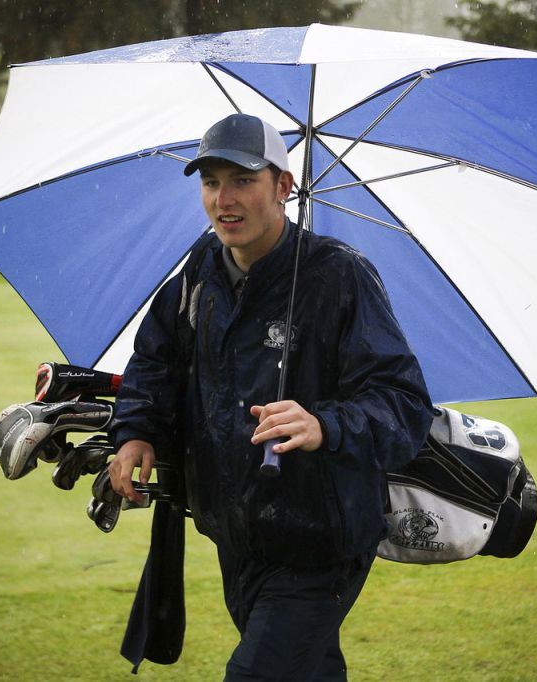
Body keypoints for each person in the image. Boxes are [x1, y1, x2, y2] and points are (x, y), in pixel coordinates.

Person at [108, 113, 432, 680]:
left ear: (283, 186)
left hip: (320, 543)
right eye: (211, 182)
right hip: (236, 534)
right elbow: (156, 361)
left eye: (243, 180)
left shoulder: (340, 275)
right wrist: (137, 431)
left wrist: (323, 424)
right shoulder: (200, 270)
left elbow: (403, 404)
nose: (223, 200)